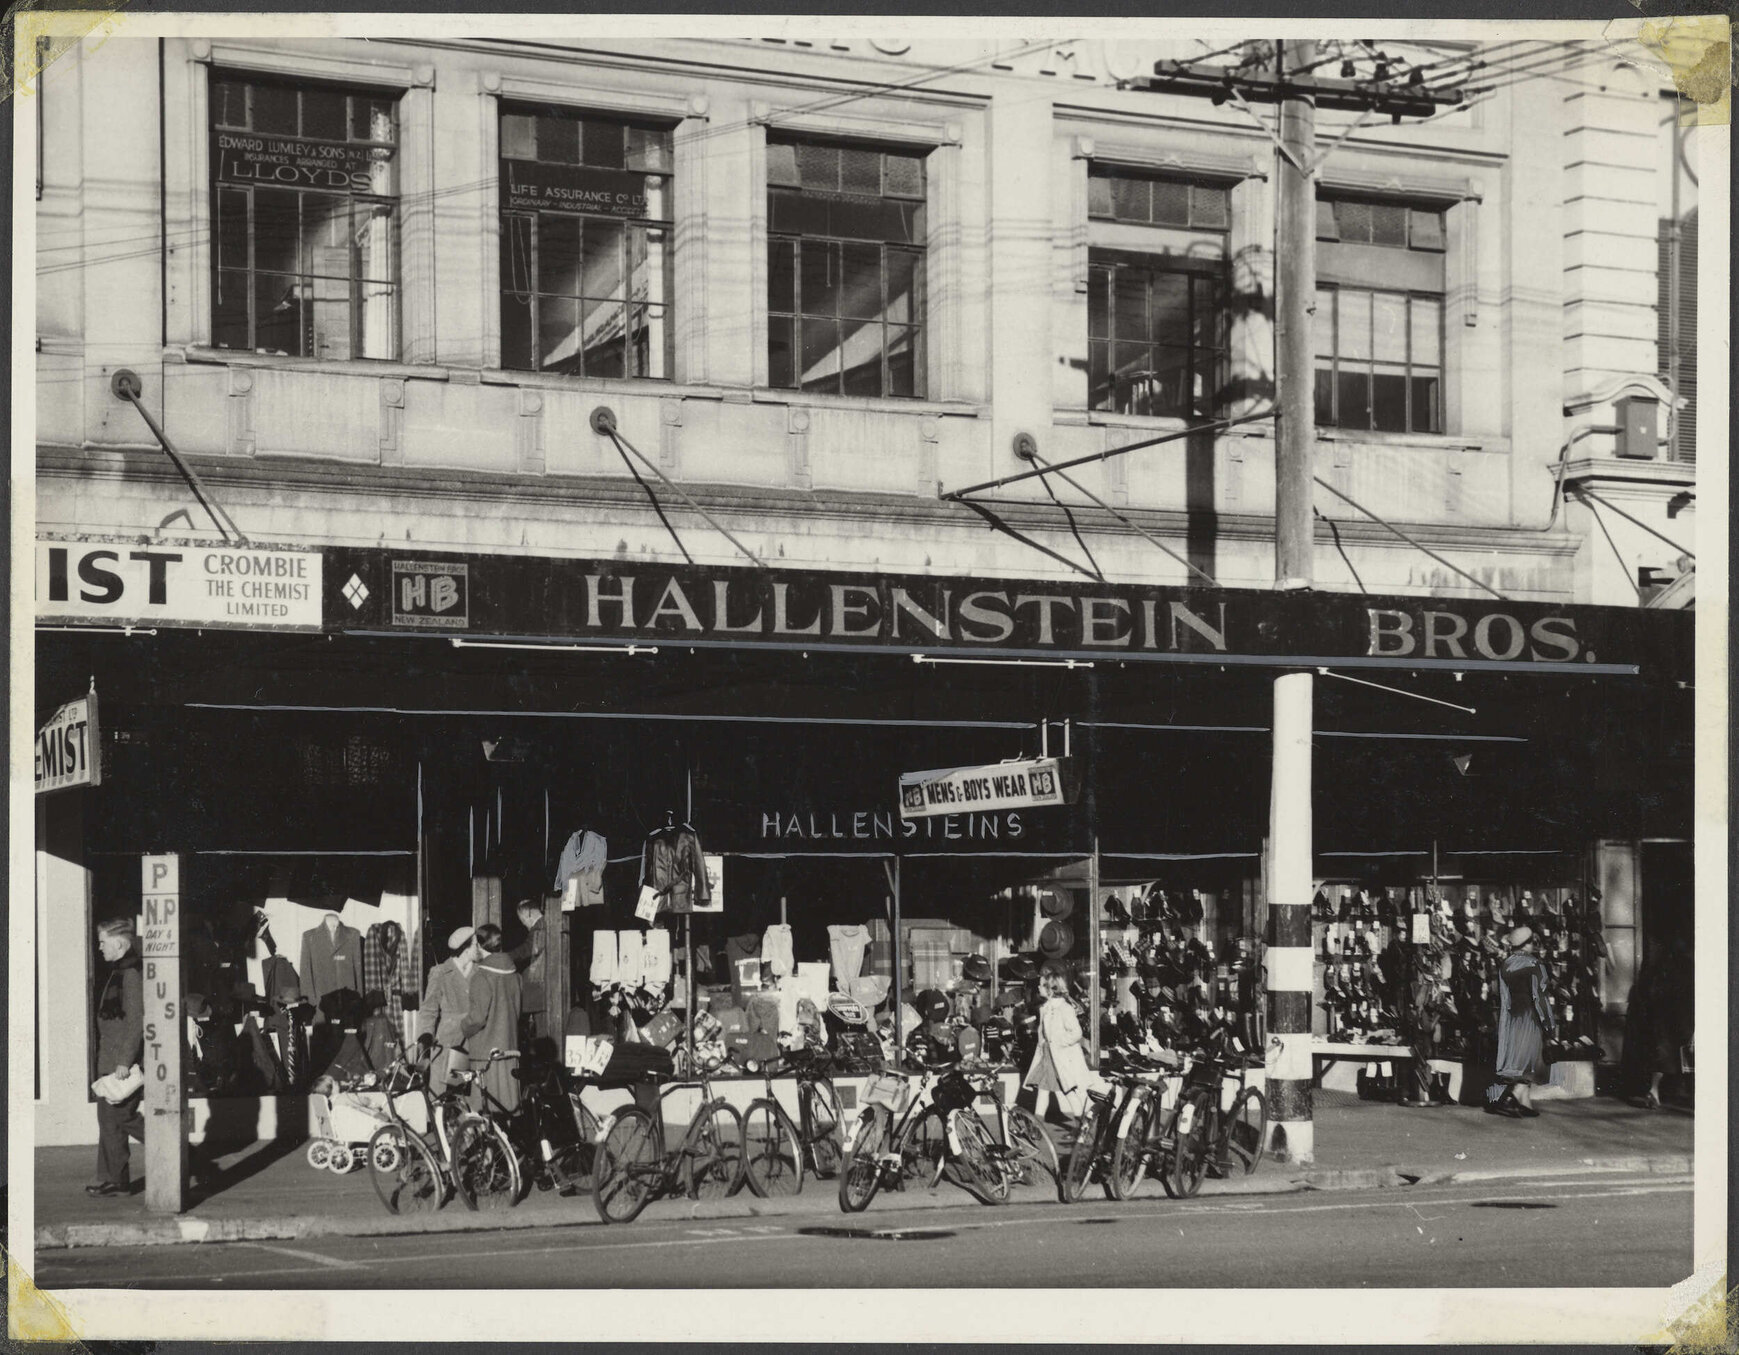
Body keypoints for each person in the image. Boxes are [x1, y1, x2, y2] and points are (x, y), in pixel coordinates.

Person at [89, 917, 144, 1197]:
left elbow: (135, 1022)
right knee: (108, 1119)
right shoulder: (118, 971)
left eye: (103, 942)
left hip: (119, 1062)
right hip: (109, 1059)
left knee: (122, 1117)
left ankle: (178, 1150)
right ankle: (113, 1178)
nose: (99, 947)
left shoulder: (130, 975)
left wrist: (125, 1060)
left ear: (120, 943)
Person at [1485, 926, 1555, 1119]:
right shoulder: (1532, 965)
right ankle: (1512, 1098)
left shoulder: (1506, 964)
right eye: (1532, 942)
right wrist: (1548, 1022)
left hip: (1510, 1018)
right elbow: (1539, 997)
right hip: (1529, 1018)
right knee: (1529, 1058)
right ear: (1526, 945)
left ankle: (1524, 1101)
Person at [462, 924, 524, 1114]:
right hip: (510, 1052)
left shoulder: (481, 977)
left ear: (480, 946)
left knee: (485, 1116)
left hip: (485, 1058)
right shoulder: (516, 976)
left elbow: (477, 1019)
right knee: (508, 1112)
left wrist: (462, 1026)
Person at [1625, 933, 1693, 1109]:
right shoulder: (1674, 968)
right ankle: (1661, 1090)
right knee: (1669, 1053)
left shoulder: (1655, 968)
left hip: (1662, 1015)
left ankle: (1657, 1090)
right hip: (1668, 1014)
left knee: (1664, 1053)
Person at [1024, 966, 1096, 1128]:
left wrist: (1058, 1042)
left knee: (1068, 1090)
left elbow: (1076, 1033)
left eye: (1042, 985)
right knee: (1043, 1088)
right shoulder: (1045, 1008)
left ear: (1050, 989)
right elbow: (1043, 1034)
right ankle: (1037, 1126)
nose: (1038, 987)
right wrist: (1043, 1045)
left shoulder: (1065, 1008)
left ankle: (1082, 1123)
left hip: (1061, 1057)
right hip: (1048, 1055)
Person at [418, 926, 479, 1087]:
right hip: (447, 1042)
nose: (479, 948)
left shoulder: (481, 972)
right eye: (475, 945)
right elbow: (428, 1010)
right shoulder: (440, 973)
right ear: (465, 949)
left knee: (471, 1098)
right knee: (442, 1097)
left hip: (474, 1041)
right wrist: (425, 1038)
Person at [506, 899, 546, 1052]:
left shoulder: (540, 927)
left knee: (543, 1036)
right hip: (538, 994)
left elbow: (528, 949)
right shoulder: (541, 926)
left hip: (539, 993)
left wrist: (504, 958)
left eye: (522, 919)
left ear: (529, 913)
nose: (523, 923)